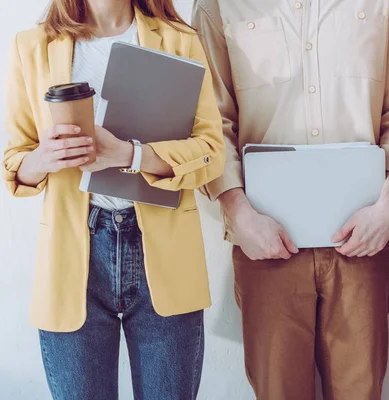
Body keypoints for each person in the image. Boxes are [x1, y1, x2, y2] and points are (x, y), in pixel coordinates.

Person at [192, 1, 389, 399]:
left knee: (360, 391)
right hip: (265, 240)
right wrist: (239, 213)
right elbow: (209, 119)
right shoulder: (218, 5)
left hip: (361, 238)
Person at [2, 0, 225, 398]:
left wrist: (130, 154)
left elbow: (211, 153)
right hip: (72, 257)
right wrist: (42, 159)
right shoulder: (31, 46)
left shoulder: (180, 41)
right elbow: (15, 161)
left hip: (165, 254)